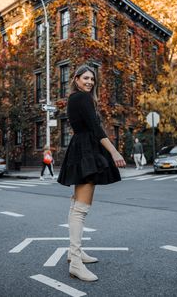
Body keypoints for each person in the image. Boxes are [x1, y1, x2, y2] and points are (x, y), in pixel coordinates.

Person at [57, 64, 126, 282]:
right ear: (76, 79)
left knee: (76, 204)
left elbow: (91, 126)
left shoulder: (75, 98)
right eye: (85, 78)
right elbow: (96, 128)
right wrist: (114, 151)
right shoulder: (82, 98)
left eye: (92, 79)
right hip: (86, 151)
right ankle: (76, 263)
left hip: (81, 148)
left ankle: (73, 253)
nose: (89, 82)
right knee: (81, 208)